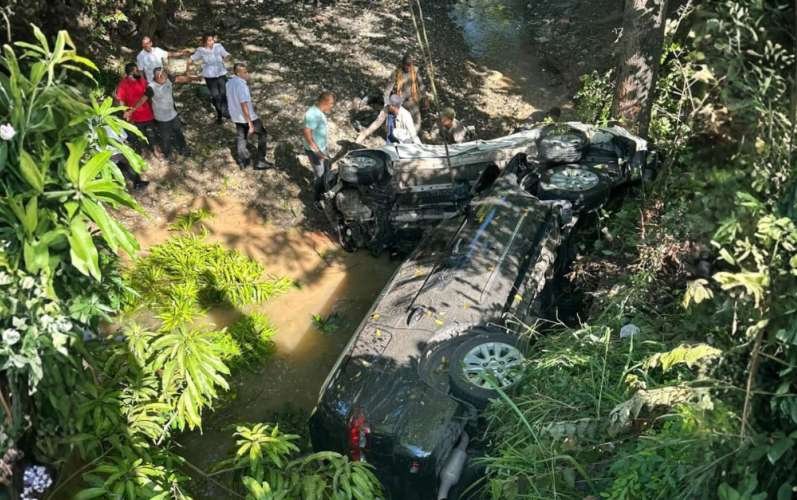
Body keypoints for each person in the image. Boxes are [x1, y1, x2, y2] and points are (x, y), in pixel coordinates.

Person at [226, 63, 272, 170]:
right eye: (245, 72)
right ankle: (260, 160)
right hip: (248, 117)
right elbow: (244, 104)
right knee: (263, 134)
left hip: (236, 116)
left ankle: (243, 162)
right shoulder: (242, 85)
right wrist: (250, 123)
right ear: (238, 73)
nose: (248, 74)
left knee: (241, 137)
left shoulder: (229, 82)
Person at [146, 67, 193, 160]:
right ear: (157, 77)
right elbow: (145, 100)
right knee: (165, 137)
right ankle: (168, 154)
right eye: (162, 75)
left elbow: (179, 78)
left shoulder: (168, 80)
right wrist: (131, 110)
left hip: (173, 114)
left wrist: (194, 78)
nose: (165, 76)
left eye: (165, 74)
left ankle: (183, 148)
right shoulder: (151, 87)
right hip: (161, 118)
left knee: (178, 132)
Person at [115, 62, 157, 157]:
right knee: (137, 136)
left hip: (147, 113)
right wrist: (126, 113)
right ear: (131, 73)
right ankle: (141, 153)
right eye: (137, 71)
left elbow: (148, 91)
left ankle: (155, 150)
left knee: (151, 133)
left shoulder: (141, 79)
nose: (139, 72)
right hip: (135, 117)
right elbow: (120, 100)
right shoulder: (123, 85)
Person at [186, 34, 230, 124]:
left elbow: (226, 54)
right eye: (209, 41)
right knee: (216, 96)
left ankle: (226, 111)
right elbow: (190, 60)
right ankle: (219, 115)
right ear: (205, 42)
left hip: (221, 73)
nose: (212, 42)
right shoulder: (201, 50)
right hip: (210, 77)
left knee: (224, 94)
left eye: (212, 40)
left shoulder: (218, 46)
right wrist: (188, 72)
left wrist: (227, 57)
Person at [302, 91, 335, 201]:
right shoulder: (312, 114)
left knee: (327, 169)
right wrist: (317, 152)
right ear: (325, 102)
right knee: (319, 176)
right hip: (315, 151)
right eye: (331, 103)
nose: (332, 106)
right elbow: (307, 133)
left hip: (321, 147)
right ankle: (317, 199)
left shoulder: (319, 112)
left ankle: (325, 189)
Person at [384, 53, 427, 130]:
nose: (408, 67)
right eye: (406, 64)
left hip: (412, 101)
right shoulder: (396, 73)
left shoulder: (415, 72)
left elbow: (421, 86)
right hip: (399, 100)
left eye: (410, 65)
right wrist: (387, 103)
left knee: (417, 122)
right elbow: (388, 89)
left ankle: (411, 137)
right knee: (396, 121)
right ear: (403, 64)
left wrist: (425, 99)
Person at [356, 94, 420, 145]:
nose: (387, 105)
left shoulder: (405, 115)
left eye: (389, 104)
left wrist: (419, 147)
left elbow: (413, 134)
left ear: (393, 106)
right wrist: (364, 134)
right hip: (390, 143)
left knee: (397, 132)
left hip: (404, 144)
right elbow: (376, 123)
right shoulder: (386, 110)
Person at [102, 125, 149, 191]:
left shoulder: (91, 127)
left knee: (118, 168)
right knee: (130, 165)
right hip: (119, 151)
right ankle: (137, 182)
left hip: (106, 154)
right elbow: (124, 136)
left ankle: (125, 182)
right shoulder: (113, 124)